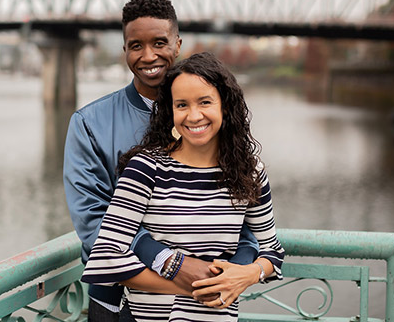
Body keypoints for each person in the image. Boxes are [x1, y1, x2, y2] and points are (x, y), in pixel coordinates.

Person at [63, 0, 260, 321]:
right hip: (119, 299)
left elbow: (244, 207)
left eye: (159, 42)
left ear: (178, 44)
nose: (148, 55)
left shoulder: (213, 119)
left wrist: (236, 271)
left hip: (207, 301)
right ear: (124, 49)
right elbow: (94, 220)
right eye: (136, 45)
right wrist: (171, 262)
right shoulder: (89, 124)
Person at [81, 52, 284, 321]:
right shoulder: (146, 169)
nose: (194, 115)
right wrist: (187, 279)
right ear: (170, 110)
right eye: (182, 105)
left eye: (205, 102)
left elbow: (271, 250)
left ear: (225, 105)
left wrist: (247, 275)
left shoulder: (250, 171)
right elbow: (106, 258)